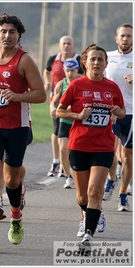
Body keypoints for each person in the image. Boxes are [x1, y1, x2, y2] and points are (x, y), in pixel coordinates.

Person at [0, 12, 46, 247]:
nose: (7, 35)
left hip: (17, 127)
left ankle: (16, 216)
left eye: (12, 32)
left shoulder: (24, 61)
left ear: (19, 35)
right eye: (3, 31)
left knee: (12, 179)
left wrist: (16, 96)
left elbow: (41, 94)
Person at [56, 43, 125, 253]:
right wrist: (77, 116)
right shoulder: (76, 86)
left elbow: (122, 110)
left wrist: (116, 111)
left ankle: (88, 234)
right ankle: (92, 213)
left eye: (100, 60)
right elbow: (59, 111)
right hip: (78, 145)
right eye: (92, 59)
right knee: (83, 196)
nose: (96, 63)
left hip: (103, 145)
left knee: (95, 190)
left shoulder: (112, 87)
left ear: (106, 64)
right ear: (84, 63)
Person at [103, 23, 133, 211]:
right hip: (110, 112)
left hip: (131, 113)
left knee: (128, 157)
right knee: (110, 153)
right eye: (122, 36)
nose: (125, 39)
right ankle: (112, 179)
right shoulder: (108, 57)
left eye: (129, 36)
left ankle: (123, 194)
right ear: (116, 38)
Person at [43, 36, 83, 177]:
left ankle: (70, 164)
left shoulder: (79, 60)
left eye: (69, 43)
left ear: (73, 45)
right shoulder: (53, 59)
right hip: (59, 101)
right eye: (64, 44)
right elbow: (47, 71)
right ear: (60, 45)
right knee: (57, 131)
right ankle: (57, 161)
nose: (66, 46)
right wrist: (47, 83)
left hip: (77, 107)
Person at [49, 58, 81, 189]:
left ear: (77, 69)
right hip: (64, 120)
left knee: (76, 151)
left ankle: (80, 174)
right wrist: (52, 108)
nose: (69, 73)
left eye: (72, 71)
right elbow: (54, 101)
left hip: (79, 121)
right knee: (62, 150)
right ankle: (69, 177)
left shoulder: (82, 82)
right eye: (67, 71)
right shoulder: (61, 84)